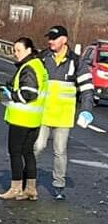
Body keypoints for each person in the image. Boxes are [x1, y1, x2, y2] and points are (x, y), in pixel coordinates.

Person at [34, 25, 94, 200]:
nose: (50, 41)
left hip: (63, 116)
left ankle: (58, 185)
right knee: (38, 147)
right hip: (43, 113)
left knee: (60, 151)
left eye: (54, 38)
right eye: (49, 38)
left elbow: (87, 89)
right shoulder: (43, 57)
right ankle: (29, 180)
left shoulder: (76, 62)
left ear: (64, 40)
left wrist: (86, 110)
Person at [0, 37, 48, 201]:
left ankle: (16, 188)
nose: (15, 54)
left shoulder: (28, 67)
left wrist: (11, 94)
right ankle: (31, 189)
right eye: (14, 50)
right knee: (28, 153)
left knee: (15, 152)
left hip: (22, 118)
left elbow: (29, 93)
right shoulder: (39, 65)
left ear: (28, 50)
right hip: (34, 118)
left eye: (18, 50)